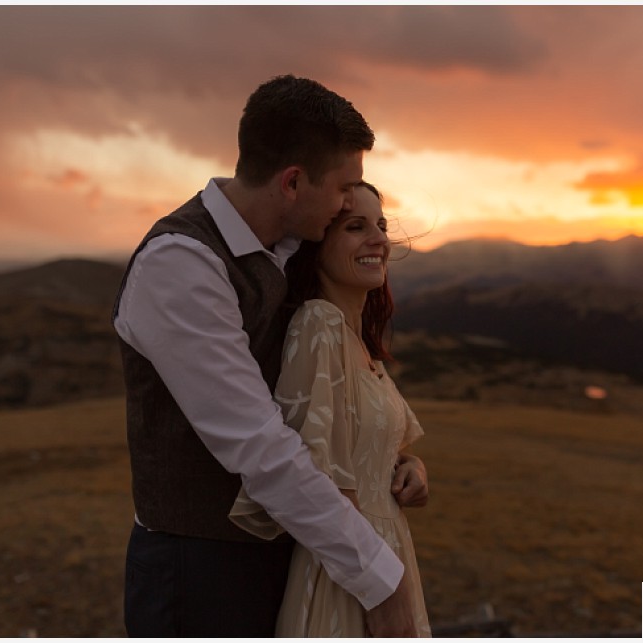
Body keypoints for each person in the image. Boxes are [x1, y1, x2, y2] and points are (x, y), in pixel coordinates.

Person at [112, 75, 427, 637]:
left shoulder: (285, 253)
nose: (344, 204)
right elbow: (260, 446)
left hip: (290, 557)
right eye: (341, 189)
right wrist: (381, 581)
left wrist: (386, 462)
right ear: (292, 182)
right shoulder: (181, 265)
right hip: (200, 573)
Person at [230, 181, 432, 637]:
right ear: (316, 247)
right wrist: (378, 591)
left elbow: (365, 449)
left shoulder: (358, 343)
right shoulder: (319, 324)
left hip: (388, 554)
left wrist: (411, 467)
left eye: (380, 225)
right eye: (355, 227)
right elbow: (316, 472)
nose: (379, 238)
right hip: (351, 571)